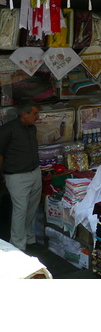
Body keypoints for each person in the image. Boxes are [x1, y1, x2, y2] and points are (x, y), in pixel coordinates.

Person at [0, 101, 42, 251]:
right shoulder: (8, 130)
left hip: (34, 172)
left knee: (32, 207)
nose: (38, 116)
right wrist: (2, 174)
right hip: (17, 175)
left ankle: (29, 238)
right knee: (20, 210)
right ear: (24, 114)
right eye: (35, 113)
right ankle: (17, 244)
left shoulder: (32, 128)